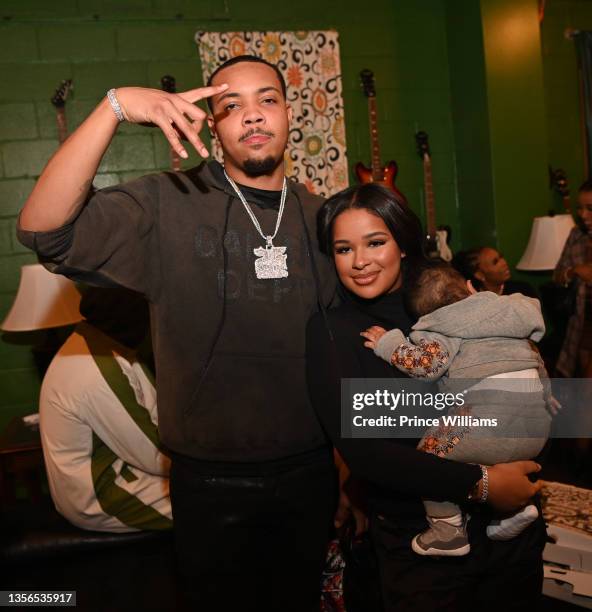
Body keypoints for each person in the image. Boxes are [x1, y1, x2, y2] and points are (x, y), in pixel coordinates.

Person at [17, 55, 337, 611]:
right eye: (230, 106)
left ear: (289, 114)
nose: (253, 117)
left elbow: (347, 353)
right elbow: (43, 231)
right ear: (213, 126)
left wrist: (350, 473)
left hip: (311, 472)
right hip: (208, 482)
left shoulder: (326, 218)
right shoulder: (167, 203)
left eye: (267, 100)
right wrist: (113, 107)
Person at [306, 183, 546, 611]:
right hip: (421, 548)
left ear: (402, 243)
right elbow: (366, 452)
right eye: (343, 249)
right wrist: (485, 484)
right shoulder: (335, 331)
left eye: (375, 242)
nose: (360, 262)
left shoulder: (451, 300)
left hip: (511, 532)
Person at [361, 263, 550, 557]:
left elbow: (427, 365)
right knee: (497, 460)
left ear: (426, 315)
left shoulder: (442, 325)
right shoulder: (511, 314)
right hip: (536, 427)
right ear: (473, 287)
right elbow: (536, 360)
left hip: (483, 421)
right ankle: (512, 513)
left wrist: (389, 343)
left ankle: (446, 531)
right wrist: (548, 398)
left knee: (430, 457)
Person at [40, 287, 172, 532]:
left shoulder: (93, 341)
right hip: (103, 495)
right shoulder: (99, 369)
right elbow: (154, 456)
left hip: (121, 471)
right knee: (206, 505)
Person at [554, 179, 592, 377]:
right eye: (580, 208)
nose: (583, 215)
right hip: (583, 323)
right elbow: (557, 275)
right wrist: (575, 271)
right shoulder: (577, 235)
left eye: (590, 208)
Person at [453, 246, 538, 298]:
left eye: (501, 257)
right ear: (479, 275)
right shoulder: (473, 299)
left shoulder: (523, 290)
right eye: (495, 262)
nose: (504, 262)